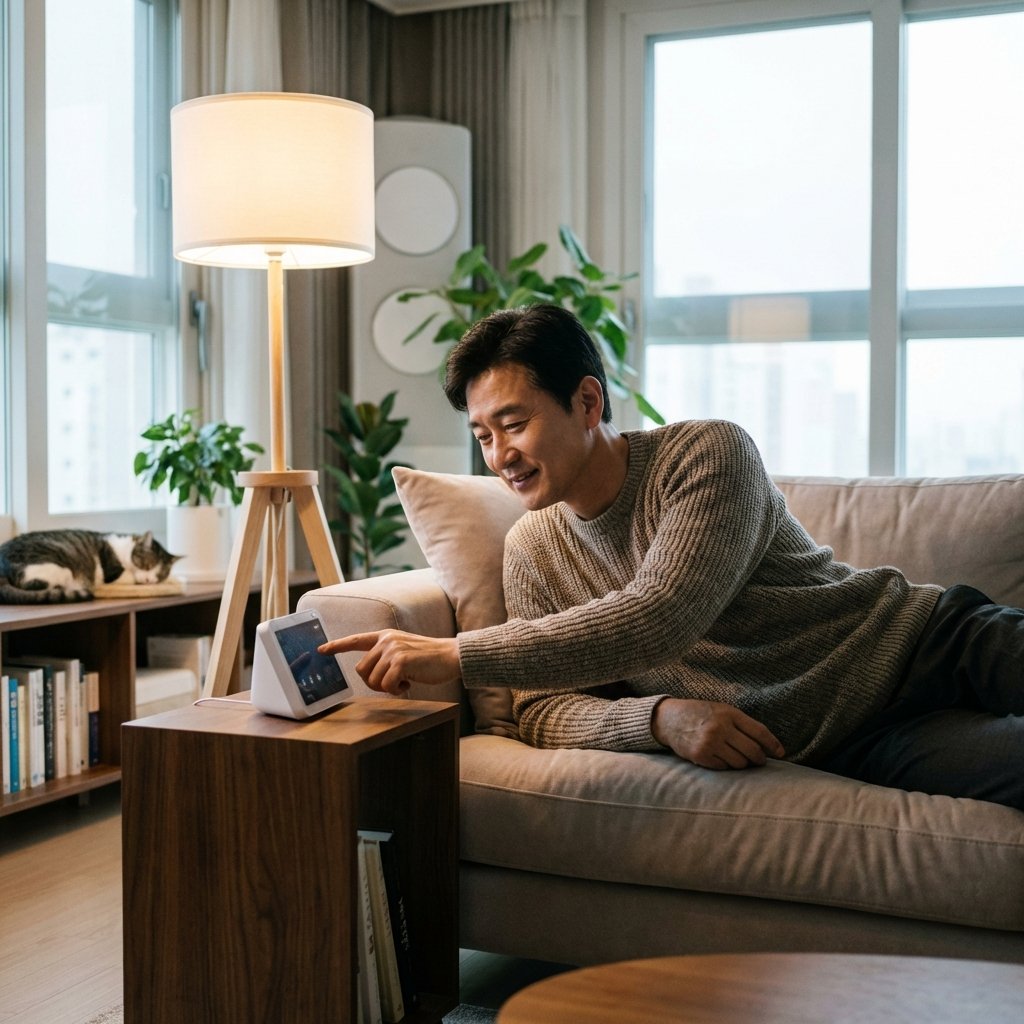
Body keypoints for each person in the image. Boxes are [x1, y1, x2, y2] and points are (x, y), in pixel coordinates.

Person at [320, 304, 1024, 809]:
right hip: (851, 741)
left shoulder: (707, 454)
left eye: (514, 423)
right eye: (482, 435)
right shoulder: (533, 548)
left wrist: (457, 654)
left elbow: (662, 614)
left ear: (588, 402)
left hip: (927, 642)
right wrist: (659, 718)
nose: (500, 455)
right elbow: (542, 711)